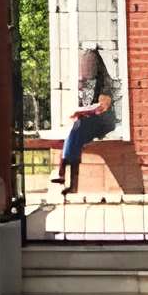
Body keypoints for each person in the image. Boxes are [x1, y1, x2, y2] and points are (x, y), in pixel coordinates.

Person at [56, 47, 119, 194]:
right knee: (75, 131)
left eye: (89, 63)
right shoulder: (84, 84)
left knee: (78, 128)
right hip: (88, 123)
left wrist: (79, 111)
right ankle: (69, 181)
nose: (86, 66)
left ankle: (63, 169)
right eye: (84, 63)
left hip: (104, 122)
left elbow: (101, 107)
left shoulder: (105, 83)